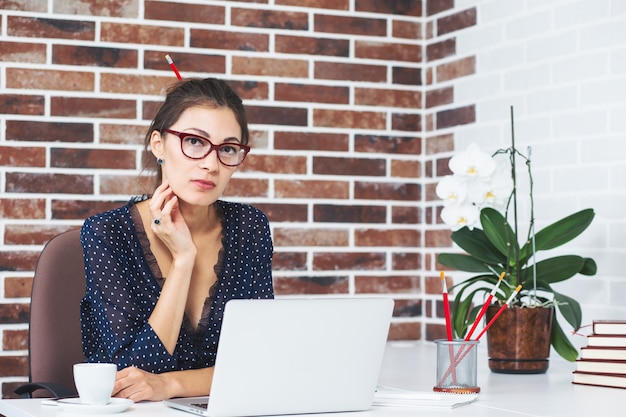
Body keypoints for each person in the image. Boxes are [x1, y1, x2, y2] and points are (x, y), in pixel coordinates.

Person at [79, 78, 274, 402]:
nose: (211, 164)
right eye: (194, 142)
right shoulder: (107, 234)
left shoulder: (249, 228)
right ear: (159, 145)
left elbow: (258, 363)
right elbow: (130, 376)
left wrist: (170, 385)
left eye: (227, 149)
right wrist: (184, 260)